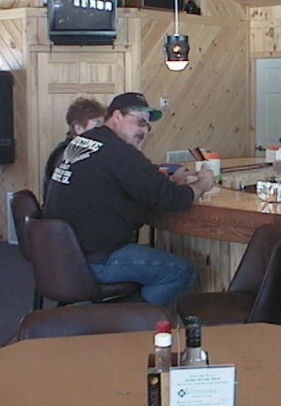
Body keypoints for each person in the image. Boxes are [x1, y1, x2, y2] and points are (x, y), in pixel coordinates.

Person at [43, 92, 215, 306]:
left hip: (58, 253)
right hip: (95, 258)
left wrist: (169, 183)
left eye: (148, 126)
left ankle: (103, 316)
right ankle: (123, 320)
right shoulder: (118, 151)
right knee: (183, 272)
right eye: (140, 122)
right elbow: (174, 200)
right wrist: (204, 183)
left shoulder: (82, 142)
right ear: (116, 116)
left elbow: (117, 182)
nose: (144, 131)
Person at [42, 97, 106, 203]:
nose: (104, 130)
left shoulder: (62, 150)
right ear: (79, 129)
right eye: (97, 124)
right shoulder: (72, 154)